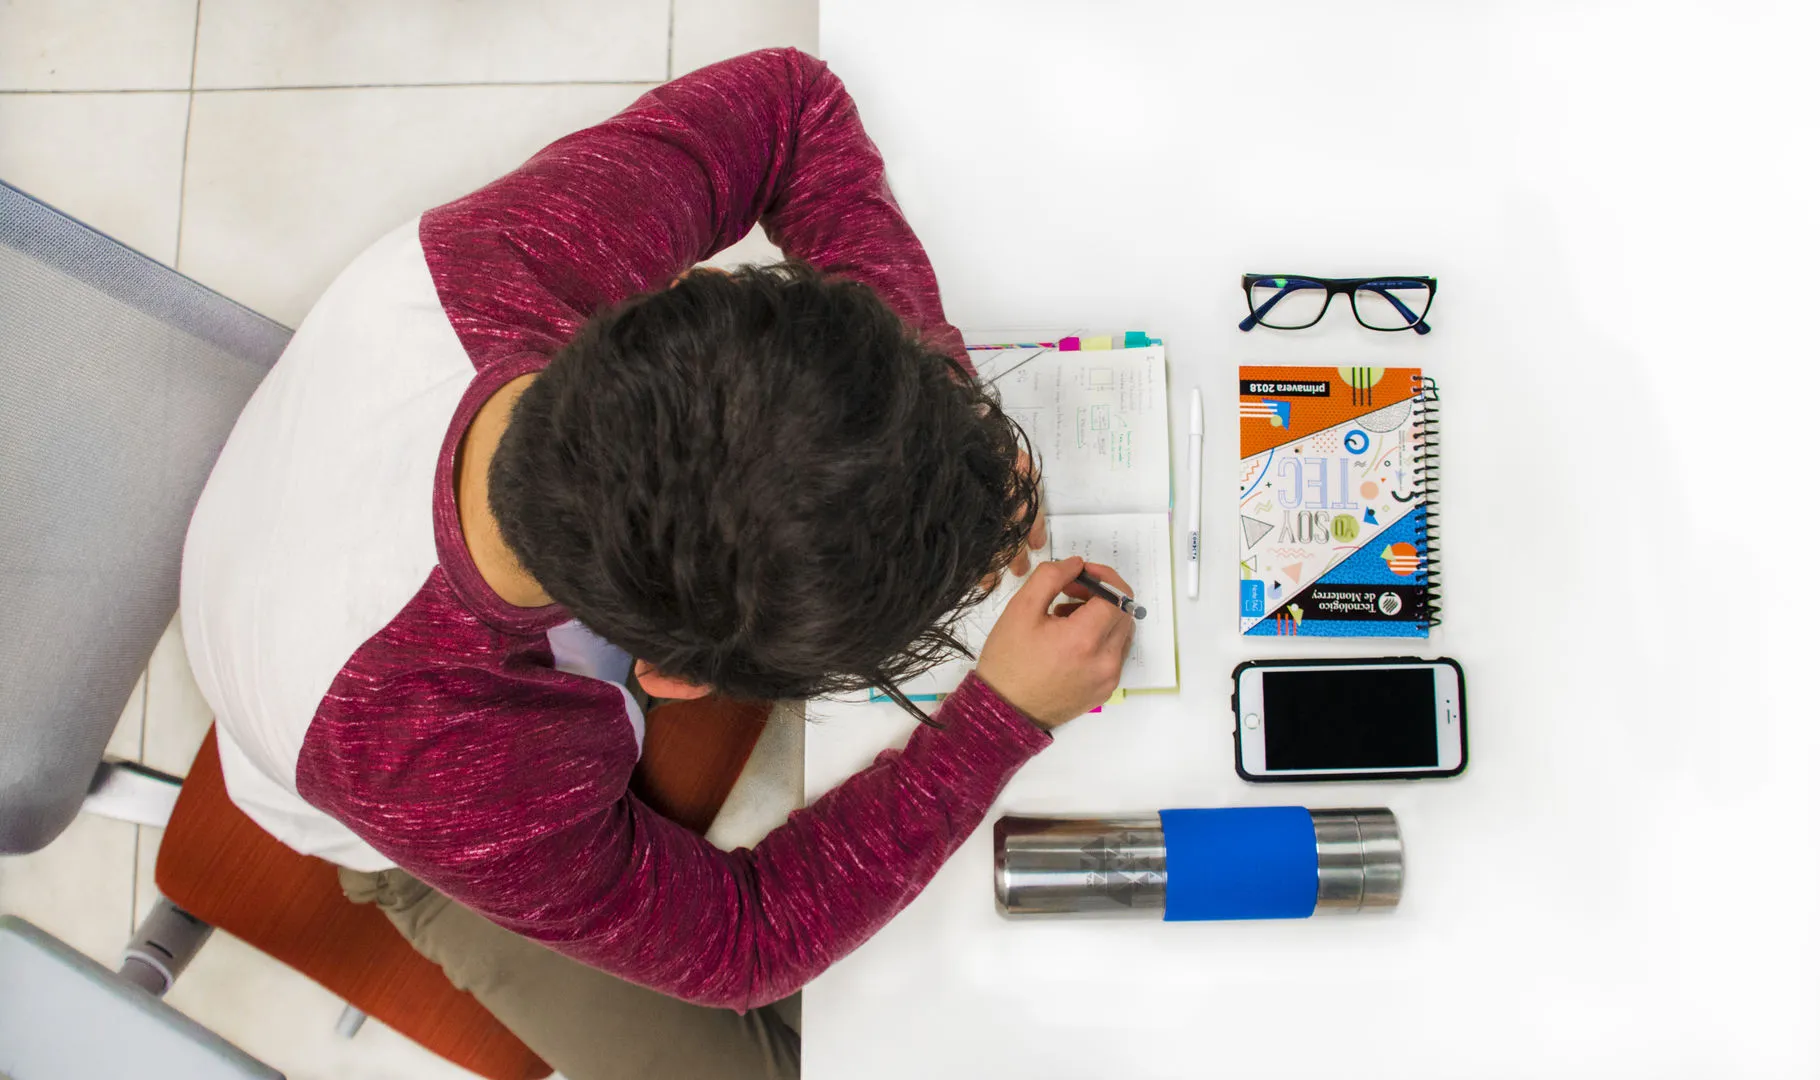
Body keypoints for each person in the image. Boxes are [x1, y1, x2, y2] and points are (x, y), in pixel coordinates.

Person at [179, 47, 1136, 1080]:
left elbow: (789, 103)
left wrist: (936, 414)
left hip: (322, 574)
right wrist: (994, 721)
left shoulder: (519, 258)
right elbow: (746, 943)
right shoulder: (439, 759)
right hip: (386, 820)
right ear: (673, 679)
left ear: (674, 317)